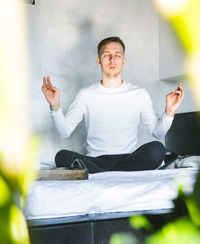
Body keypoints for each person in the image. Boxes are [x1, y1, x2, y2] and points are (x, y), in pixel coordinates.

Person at [42, 36, 184, 173]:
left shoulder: (139, 94)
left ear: (123, 61)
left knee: (157, 149)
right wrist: (54, 106)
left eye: (117, 55)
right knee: (61, 156)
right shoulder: (85, 95)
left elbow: (157, 133)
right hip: (96, 160)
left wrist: (169, 111)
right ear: (99, 61)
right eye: (106, 55)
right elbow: (63, 132)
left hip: (128, 158)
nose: (112, 59)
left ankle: (104, 172)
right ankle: (116, 172)